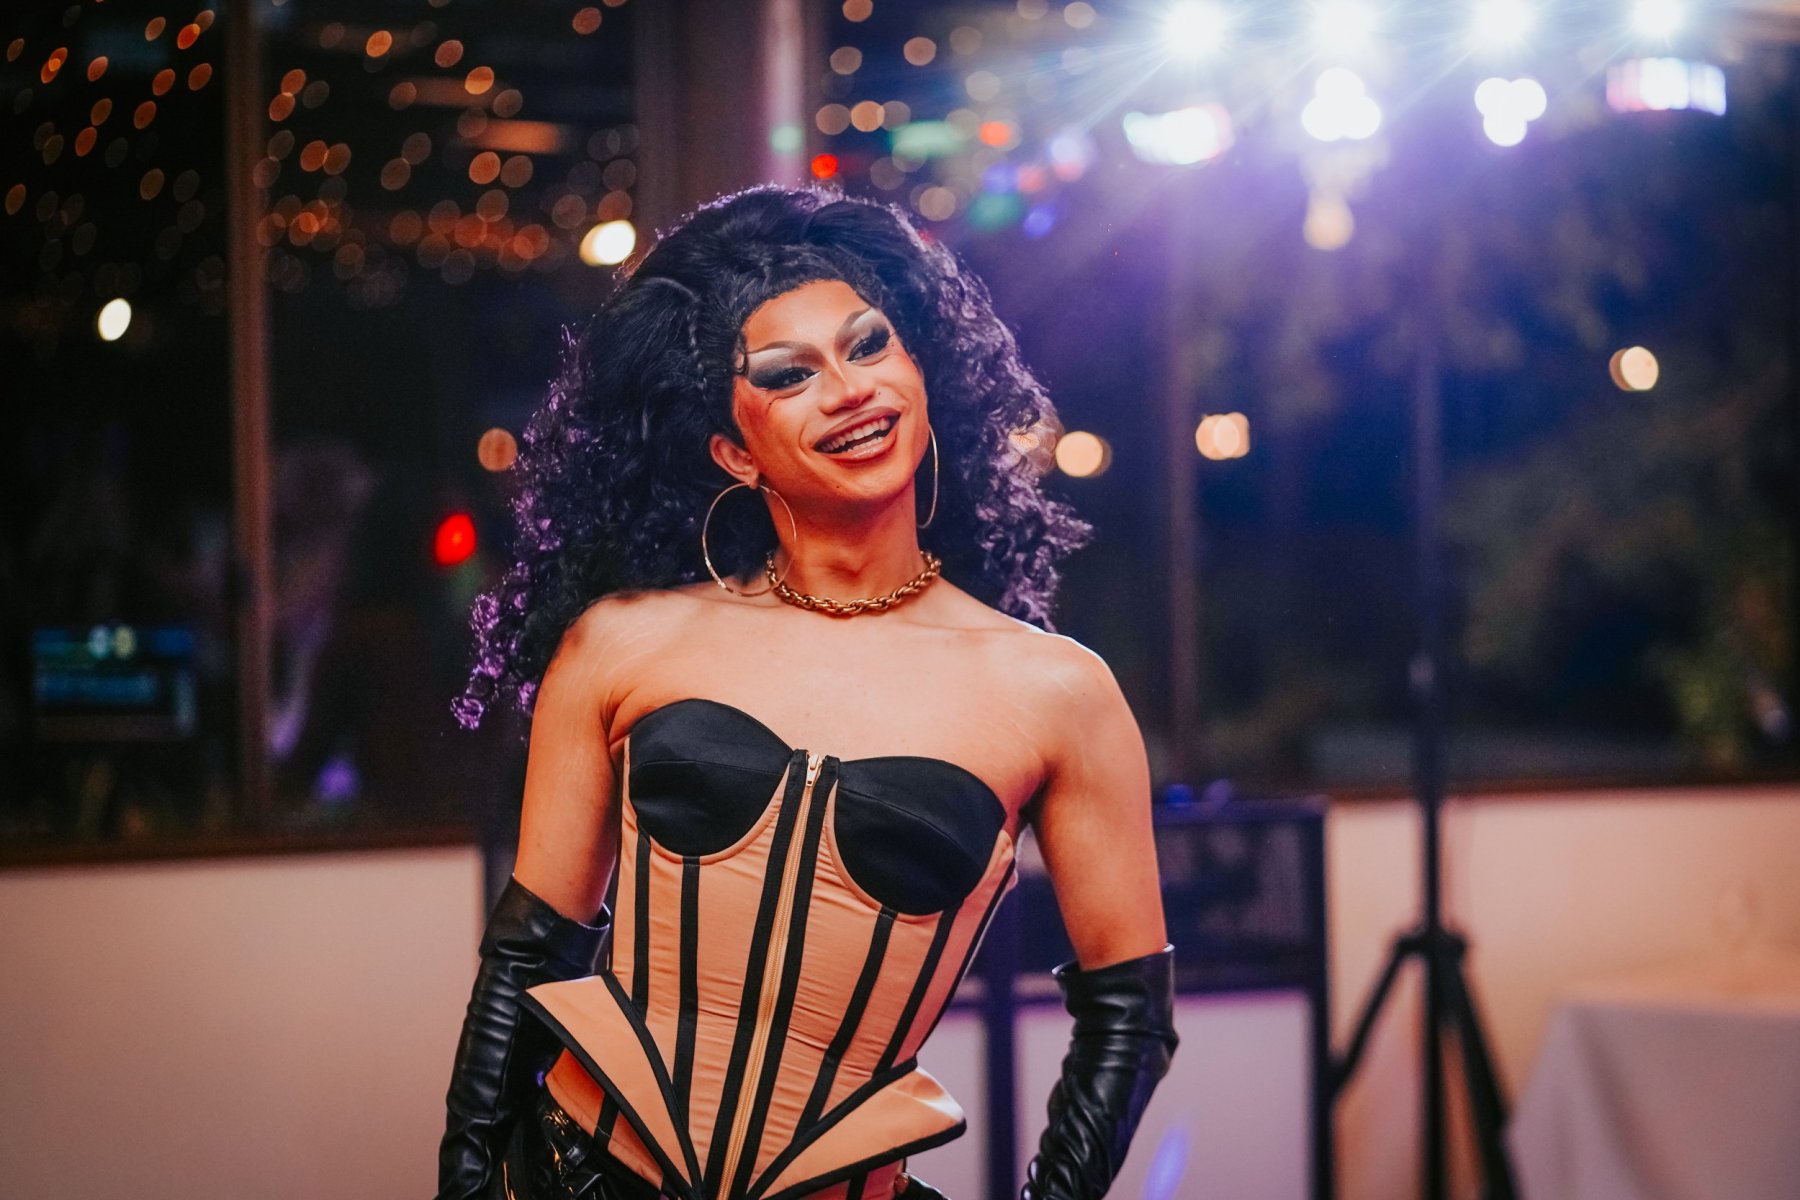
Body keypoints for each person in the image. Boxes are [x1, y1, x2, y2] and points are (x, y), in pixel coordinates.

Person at [437, 183, 1178, 1200]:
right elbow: (528, 959)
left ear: (922, 374)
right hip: (575, 1177)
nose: (849, 390)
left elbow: (1129, 1017)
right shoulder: (622, 643)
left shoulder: (1057, 691)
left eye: (869, 347)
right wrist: (466, 1185)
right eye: (790, 374)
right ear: (734, 451)